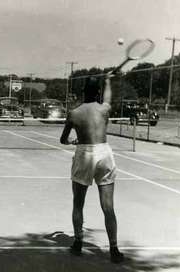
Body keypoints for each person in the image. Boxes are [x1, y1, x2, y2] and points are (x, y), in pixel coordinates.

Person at [60, 73, 124, 263]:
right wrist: (108, 81)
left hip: (84, 154)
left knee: (78, 203)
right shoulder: (104, 109)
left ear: (83, 92)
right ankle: (114, 249)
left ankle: (78, 242)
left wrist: (73, 140)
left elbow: (63, 139)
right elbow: (107, 98)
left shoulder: (74, 113)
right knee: (108, 206)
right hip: (104, 154)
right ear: (97, 92)